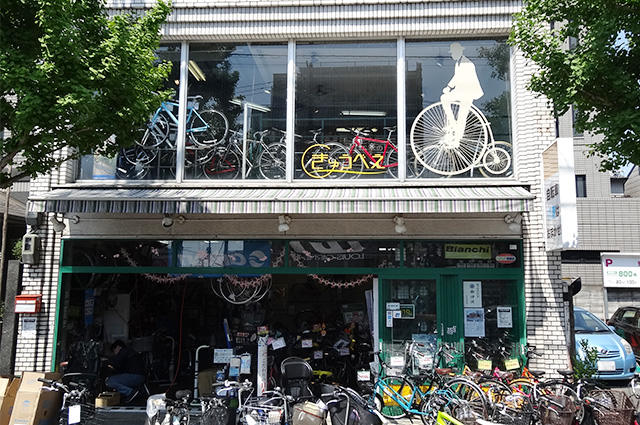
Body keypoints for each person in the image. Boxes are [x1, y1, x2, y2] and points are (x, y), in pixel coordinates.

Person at [440, 42, 484, 145]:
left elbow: (460, 78)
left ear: (458, 52)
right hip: (461, 92)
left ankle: (457, 140)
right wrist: (449, 87)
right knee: (444, 98)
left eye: (452, 53)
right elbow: (456, 77)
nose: (451, 55)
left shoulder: (467, 63)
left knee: (462, 116)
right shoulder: (459, 63)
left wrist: (449, 88)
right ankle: (452, 122)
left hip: (467, 92)